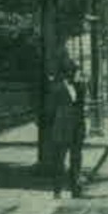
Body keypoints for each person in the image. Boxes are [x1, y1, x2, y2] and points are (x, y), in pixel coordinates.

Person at [43, 59, 86, 199]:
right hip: (61, 128)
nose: (73, 74)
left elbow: (81, 108)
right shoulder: (56, 89)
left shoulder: (80, 87)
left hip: (77, 127)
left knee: (76, 159)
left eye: (74, 71)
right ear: (64, 73)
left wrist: (82, 127)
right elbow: (49, 111)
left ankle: (75, 189)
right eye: (70, 71)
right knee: (59, 160)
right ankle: (57, 190)